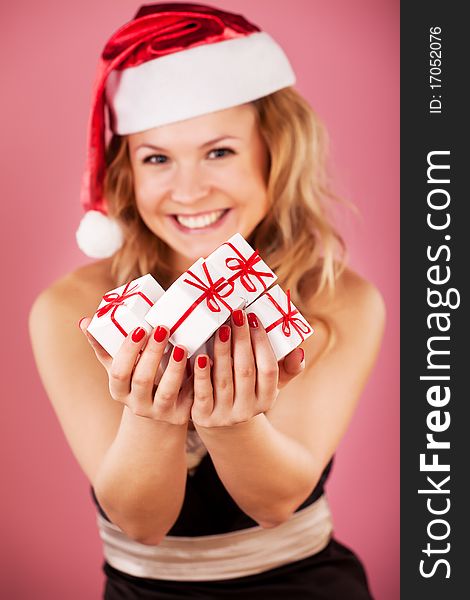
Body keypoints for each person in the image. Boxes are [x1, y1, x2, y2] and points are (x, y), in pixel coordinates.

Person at [29, 3, 385, 598]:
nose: (189, 190)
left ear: (275, 153)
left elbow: (277, 504)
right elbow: (140, 523)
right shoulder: (72, 309)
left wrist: (233, 427)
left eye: (220, 152)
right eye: (157, 159)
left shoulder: (339, 299)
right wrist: (151, 416)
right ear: (127, 174)